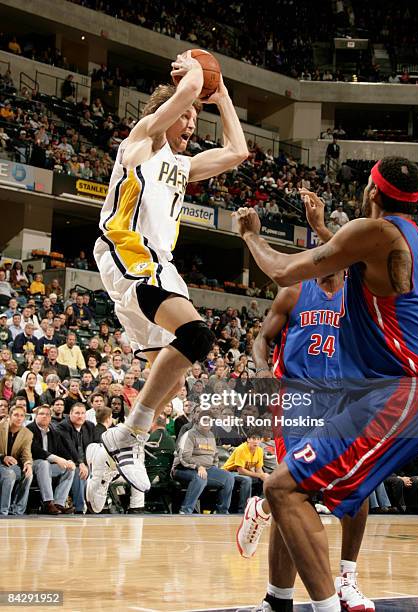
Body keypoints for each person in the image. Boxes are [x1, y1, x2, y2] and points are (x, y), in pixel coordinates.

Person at [234, 157, 418, 611]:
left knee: (285, 488)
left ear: (371, 191)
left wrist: (249, 234)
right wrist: (324, 228)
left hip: (405, 389)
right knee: (290, 488)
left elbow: (284, 270)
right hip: (390, 392)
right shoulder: (412, 240)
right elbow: (350, 261)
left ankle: (335, 590)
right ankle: (279, 600)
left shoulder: (375, 232)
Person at [92, 50, 247, 497]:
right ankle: (127, 437)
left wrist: (223, 97)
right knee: (198, 336)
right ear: (167, 114)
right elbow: (179, 100)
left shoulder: (182, 166)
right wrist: (194, 79)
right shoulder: (138, 144)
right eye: (187, 118)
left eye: (197, 119)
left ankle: (109, 455)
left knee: (172, 378)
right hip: (128, 253)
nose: (192, 125)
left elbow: (236, 151)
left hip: (161, 264)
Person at [239, 270, 372, 611]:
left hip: (341, 400)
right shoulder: (294, 292)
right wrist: (261, 369)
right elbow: (261, 340)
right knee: (296, 494)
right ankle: (277, 599)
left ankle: (346, 578)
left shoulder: (358, 299)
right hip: (296, 399)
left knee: (358, 485)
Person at [172, 410, 234, 514]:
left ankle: (222, 511)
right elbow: (184, 457)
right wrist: (198, 467)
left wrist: (215, 468)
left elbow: (215, 456)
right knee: (200, 478)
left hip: (207, 469)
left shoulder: (211, 436)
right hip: (182, 468)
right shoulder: (190, 434)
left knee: (228, 477)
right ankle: (185, 510)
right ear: (197, 421)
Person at [27, 405, 76, 514]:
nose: (44, 416)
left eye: (47, 414)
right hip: (32, 465)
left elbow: (62, 449)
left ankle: (59, 503)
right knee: (44, 463)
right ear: (36, 416)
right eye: (41, 414)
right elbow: (36, 451)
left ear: (50, 418)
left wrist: (69, 460)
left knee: (69, 469)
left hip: (48, 467)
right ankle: (48, 502)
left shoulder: (53, 432)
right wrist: (57, 459)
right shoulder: (29, 429)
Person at [57, 403, 95, 513]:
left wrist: (89, 464)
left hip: (87, 462)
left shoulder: (90, 426)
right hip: (70, 461)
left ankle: (95, 506)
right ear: (70, 414)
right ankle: (79, 508)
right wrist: (80, 463)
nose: (80, 416)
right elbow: (70, 447)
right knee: (79, 473)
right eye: (77, 413)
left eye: (83, 413)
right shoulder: (63, 426)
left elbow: (93, 446)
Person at [222, 429, 268, 513]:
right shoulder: (241, 449)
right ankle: (243, 510)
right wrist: (260, 475)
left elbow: (258, 469)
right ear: (248, 439)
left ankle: (258, 509)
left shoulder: (260, 450)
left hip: (243, 473)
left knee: (265, 480)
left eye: (258, 439)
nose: (256, 441)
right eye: (253, 439)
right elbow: (241, 471)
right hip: (228, 472)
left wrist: (264, 477)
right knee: (247, 480)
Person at [0, 405, 33, 515]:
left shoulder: (27, 434)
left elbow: (26, 453)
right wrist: (3, 457)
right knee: (9, 474)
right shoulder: (0, 428)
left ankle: (17, 510)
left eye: (22, 416)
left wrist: (28, 464)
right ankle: (3, 511)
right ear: (9, 416)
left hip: (12, 465)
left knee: (28, 474)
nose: (19, 418)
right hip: (1, 463)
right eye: (16, 415)